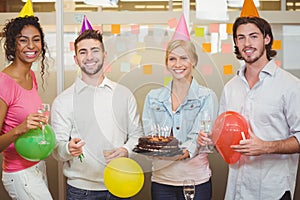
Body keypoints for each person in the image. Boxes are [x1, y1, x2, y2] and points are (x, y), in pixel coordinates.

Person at [199, 16, 300, 200]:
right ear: (236, 43)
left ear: (267, 39)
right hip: (236, 190)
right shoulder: (231, 87)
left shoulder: (290, 85)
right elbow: (223, 133)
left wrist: (266, 147)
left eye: (253, 36)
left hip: (273, 191)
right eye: (241, 38)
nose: (247, 43)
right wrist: (209, 139)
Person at [51, 29, 143, 200]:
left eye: (95, 50)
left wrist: (126, 150)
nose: (90, 57)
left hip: (121, 185)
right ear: (76, 59)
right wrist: (68, 148)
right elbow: (57, 149)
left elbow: (137, 136)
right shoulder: (63, 101)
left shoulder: (123, 94)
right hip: (81, 191)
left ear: (104, 54)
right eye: (83, 52)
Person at [142, 38, 218, 200]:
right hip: (162, 182)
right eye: (172, 59)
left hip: (195, 181)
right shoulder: (153, 97)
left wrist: (166, 151)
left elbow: (197, 139)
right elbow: (150, 138)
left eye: (184, 58)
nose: (178, 64)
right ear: (166, 63)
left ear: (194, 61)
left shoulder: (207, 97)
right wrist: (154, 147)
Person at [0, 16, 52, 199]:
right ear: (13, 45)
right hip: (19, 173)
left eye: (36, 39)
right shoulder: (4, 83)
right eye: (23, 40)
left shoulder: (31, 76)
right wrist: (20, 129)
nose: (31, 46)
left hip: (37, 166)